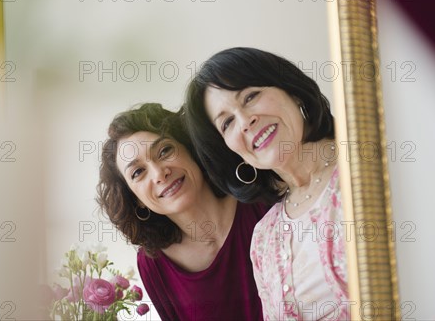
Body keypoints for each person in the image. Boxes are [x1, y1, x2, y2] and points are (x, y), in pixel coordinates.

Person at [184, 47, 348, 320]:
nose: (245, 122)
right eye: (227, 123)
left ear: (291, 90)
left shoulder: (366, 159)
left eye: (250, 96)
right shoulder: (263, 238)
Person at [96, 103, 268, 320]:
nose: (159, 173)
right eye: (138, 172)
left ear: (190, 149)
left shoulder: (261, 202)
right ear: (135, 200)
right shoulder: (153, 264)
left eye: (164, 150)